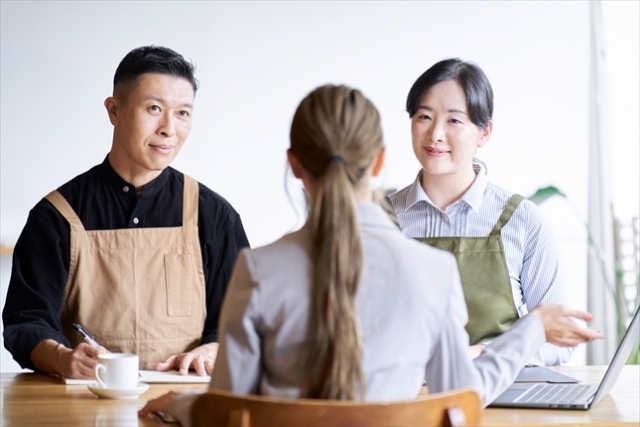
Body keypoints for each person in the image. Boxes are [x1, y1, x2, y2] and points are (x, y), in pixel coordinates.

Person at [138, 84, 601, 426]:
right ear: (379, 161)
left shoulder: (259, 271)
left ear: (295, 164)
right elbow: (462, 400)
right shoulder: (433, 272)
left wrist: (181, 402)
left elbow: (228, 411)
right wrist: (531, 329)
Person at [2, 45, 250, 379]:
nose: (169, 129)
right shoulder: (57, 215)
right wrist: (62, 358)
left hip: (182, 404)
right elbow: (25, 322)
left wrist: (215, 347)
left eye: (183, 113)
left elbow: (243, 321)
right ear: (114, 110)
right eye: (154, 108)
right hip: (82, 405)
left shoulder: (215, 216)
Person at [386, 58, 572, 365]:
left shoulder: (523, 220)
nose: (435, 134)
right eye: (424, 116)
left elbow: (559, 339)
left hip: (503, 400)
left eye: (454, 121)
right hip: (407, 401)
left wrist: (481, 354)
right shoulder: (381, 219)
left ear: (484, 133)